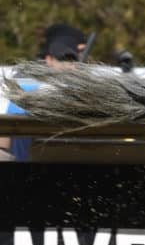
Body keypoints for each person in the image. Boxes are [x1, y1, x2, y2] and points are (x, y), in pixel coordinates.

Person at [1, 23, 93, 162]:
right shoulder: (28, 86)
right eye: (67, 58)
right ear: (48, 59)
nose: (73, 66)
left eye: (77, 59)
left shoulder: (89, 89)